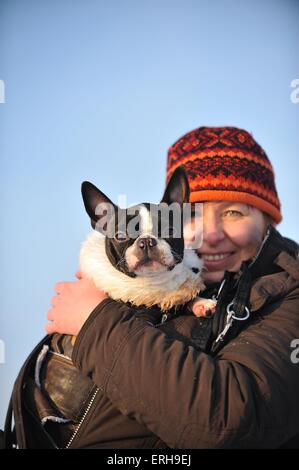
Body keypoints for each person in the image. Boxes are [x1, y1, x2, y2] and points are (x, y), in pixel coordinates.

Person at [46, 126, 299, 449]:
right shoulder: (154, 289)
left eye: (234, 212)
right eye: (194, 214)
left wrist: (94, 322)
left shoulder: (289, 292)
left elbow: (228, 423)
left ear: (267, 219)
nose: (210, 234)